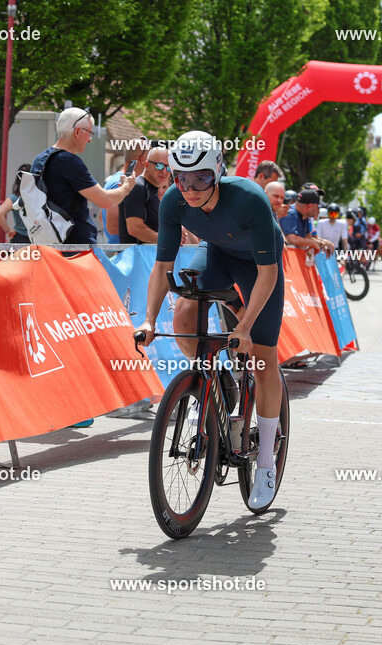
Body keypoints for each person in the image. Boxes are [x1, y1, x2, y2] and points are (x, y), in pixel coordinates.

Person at [135, 130, 285, 509]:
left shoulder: (249, 198)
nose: (190, 188)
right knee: (184, 309)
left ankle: (265, 460)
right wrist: (150, 320)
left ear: (218, 169)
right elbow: (162, 267)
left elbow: (268, 274)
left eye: (200, 177)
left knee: (264, 358)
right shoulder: (173, 202)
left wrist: (246, 327)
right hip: (217, 251)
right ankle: (214, 380)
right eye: (181, 178)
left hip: (259, 264)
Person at [31, 108, 137, 246]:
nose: (90, 140)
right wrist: (127, 187)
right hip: (74, 247)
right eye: (90, 133)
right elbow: (105, 201)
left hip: (47, 241)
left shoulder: (40, 159)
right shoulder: (68, 161)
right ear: (77, 131)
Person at [119, 145, 169, 244]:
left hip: (147, 255)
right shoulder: (138, 187)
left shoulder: (153, 190)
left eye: (168, 167)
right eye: (159, 165)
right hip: (136, 256)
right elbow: (135, 228)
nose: (164, 171)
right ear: (146, 165)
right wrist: (167, 240)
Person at [280, 189, 332, 254]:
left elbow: (308, 237)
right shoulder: (291, 214)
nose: (318, 210)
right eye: (317, 207)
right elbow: (292, 239)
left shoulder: (304, 215)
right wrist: (313, 243)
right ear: (309, 206)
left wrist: (322, 243)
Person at [0, 163, 32, 243]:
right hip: (37, 238)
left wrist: (8, 230)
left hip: (19, 238)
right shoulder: (39, 197)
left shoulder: (14, 197)